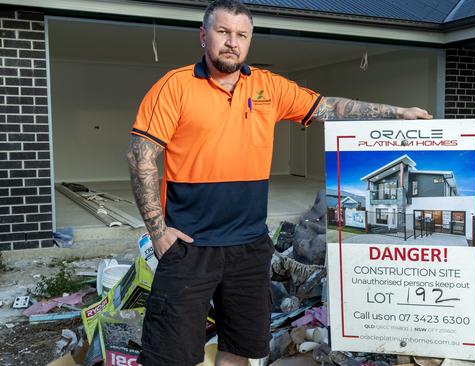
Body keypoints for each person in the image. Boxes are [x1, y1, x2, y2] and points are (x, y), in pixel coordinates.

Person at [126, 0, 432, 365]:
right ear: (203, 36)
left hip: (250, 248)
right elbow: (140, 156)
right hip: (190, 247)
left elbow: (329, 107)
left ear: (249, 41)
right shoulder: (174, 86)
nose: (231, 42)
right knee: (171, 356)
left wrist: (399, 113)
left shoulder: (269, 87)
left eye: (241, 35)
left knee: (238, 352)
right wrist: (159, 233)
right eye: (223, 32)